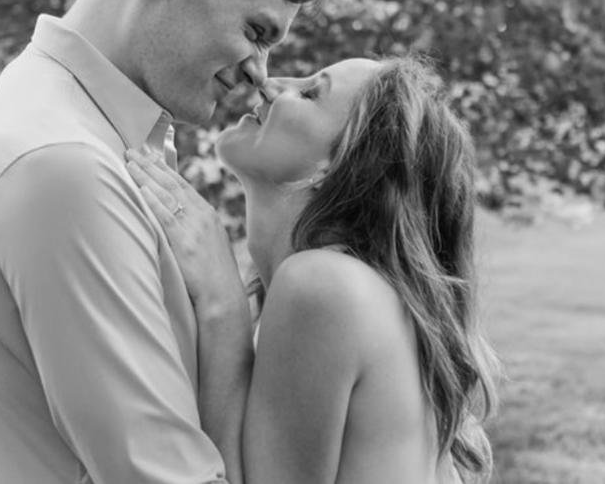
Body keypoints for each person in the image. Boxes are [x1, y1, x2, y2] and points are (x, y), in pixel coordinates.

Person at [0, 0, 324, 483]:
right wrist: (225, 314)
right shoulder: (64, 169)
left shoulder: (80, 130)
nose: (261, 74)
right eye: (257, 32)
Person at [127, 55, 501, 484]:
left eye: (309, 94)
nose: (268, 83)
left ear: (340, 165)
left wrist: (221, 301)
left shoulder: (324, 284)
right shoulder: (353, 289)